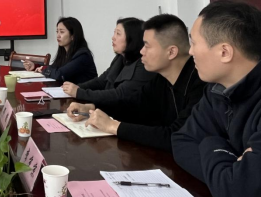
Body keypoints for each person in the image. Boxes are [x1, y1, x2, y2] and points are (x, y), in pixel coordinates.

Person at [67, 14, 205, 151]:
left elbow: (176, 136)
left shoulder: (201, 84)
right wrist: (91, 107)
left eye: (147, 46)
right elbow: (132, 104)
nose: (142, 51)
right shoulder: (161, 79)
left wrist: (113, 126)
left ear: (171, 52)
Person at [172, 0, 261, 197]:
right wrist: (228, 171)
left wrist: (210, 143)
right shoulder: (217, 90)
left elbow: (238, 189)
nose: (190, 51)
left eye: (194, 43)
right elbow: (181, 141)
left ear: (224, 52)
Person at [61, 17, 155, 102]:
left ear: (132, 38)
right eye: (114, 33)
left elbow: (120, 94)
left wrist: (79, 92)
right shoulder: (120, 58)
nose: (113, 38)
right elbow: (102, 80)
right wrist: (77, 87)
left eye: (118, 34)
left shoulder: (143, 64)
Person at [23, 17, 97, 83]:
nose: (58, 36)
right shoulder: (64, 53)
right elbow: (55, 68)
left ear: (73, 36)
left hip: (84, 93)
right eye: (57, 32)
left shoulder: (82, 55)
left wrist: (43, 70)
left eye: (62, 32)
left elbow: (60, 74)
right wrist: (36, 67)